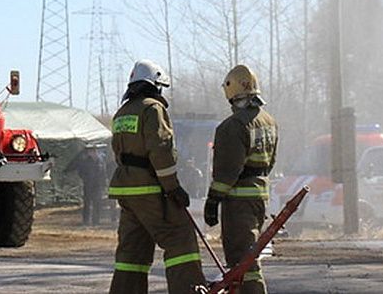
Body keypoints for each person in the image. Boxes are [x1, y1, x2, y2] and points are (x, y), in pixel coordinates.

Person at [107, 60, 206, 294]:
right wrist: (173, 188)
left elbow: (118, 152)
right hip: (150, 189)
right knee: (179, 238)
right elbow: (160, 150)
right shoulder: (153, 108)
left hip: (127, 190)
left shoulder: (122, 112)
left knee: (133, 250)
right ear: (154, 85)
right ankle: (190, 288)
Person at [204, 65, 278, 294]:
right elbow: (270, 162)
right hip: (260, 197)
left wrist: (213, 200)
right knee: (249, 255)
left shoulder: (232, 126)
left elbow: (227, 171)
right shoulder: (269, 121)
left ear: (231, 92)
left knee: (243, 260)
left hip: (238, 202)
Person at [65, 146, 107, 226]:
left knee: (97, 203)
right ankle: (86, 221)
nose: (93, 153)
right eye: (91, 151)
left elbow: (103, 173)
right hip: (88, 185)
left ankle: (96, 221)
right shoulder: (85, 161)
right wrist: (85, 178)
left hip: (98, 185)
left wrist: (104, 183)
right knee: (87, 203)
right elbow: (81, 171)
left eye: (94, 151)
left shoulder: (101, 161)